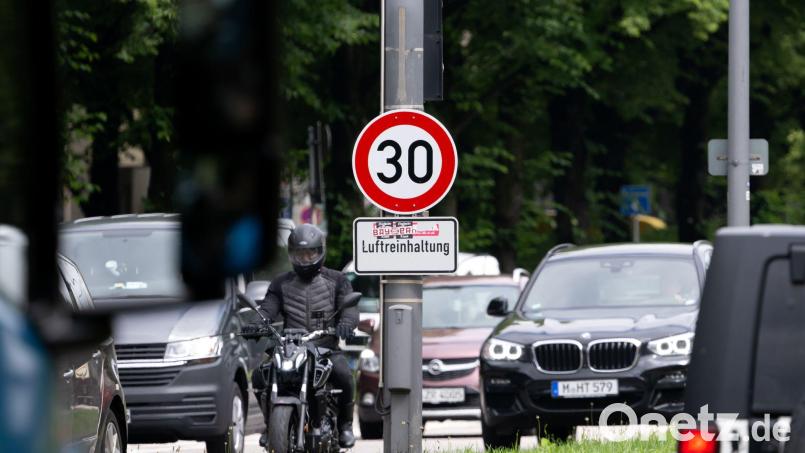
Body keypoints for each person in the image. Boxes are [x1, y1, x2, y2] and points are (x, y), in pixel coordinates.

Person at [253, 224, 358, 448]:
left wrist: (347, 323)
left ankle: (345, 426)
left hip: (325, 348)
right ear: (292, 254)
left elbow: (349, 309)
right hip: (290, 346)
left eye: (310, 252)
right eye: (300, 253)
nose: (305, 258)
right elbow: (268, 309)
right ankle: (270, 423)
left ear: (320, 252)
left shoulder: (338, 280)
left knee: (344, 375)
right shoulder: (281, 283)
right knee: (259, 376)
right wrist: (258, 323)